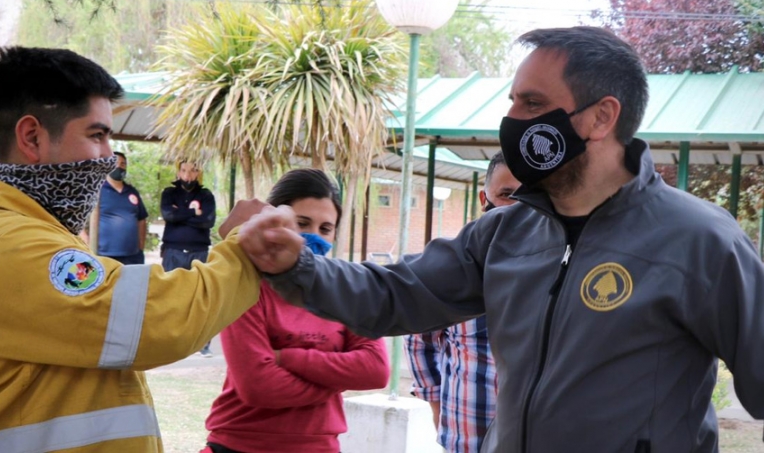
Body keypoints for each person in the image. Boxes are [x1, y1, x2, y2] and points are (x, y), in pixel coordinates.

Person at [233, 26, 764, 452]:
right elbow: (393, 294)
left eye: (532, 104)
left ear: (601, 117)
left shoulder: (701, 241)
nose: (510, 120)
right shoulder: (503, 234)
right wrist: (295, 263)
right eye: (513, 101)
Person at [0, 46, 264, 453]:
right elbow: (157, 323)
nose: (107, 157)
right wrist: (245, 250)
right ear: (32, 137)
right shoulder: (9, 245)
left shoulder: (29, 231)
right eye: (97, 135)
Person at [203, 169, 389, 453]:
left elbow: (375, 370)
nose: (311, 238)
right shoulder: (247, 286)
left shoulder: (343, 290)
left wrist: (285, 357)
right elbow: (258, 386)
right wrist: (336, 380)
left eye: (325, 229)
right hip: (239, 445)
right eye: (302, 224)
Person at [404, 151, 519, 453]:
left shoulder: (561, 271)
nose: (518, 207)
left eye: (530, 195)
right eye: (506, 194)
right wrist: (435, 406)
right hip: (466, 441)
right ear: (485, 199)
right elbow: (419, 340)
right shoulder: (452, 270)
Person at [160, 160, 217, 356]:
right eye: (184, 170)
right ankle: (169, 342)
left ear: (198, 172)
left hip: (198, 252)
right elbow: (168, 215)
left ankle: (203, 345)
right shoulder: (169, 193)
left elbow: (208, 222)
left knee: (199, 296)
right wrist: (195, 212)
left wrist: (180, 213)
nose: (188, 175)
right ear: (178, 171)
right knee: (170, 296)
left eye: (193, 170)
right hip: (173, 252)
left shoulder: (206, 195)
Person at [96, 151, 148, 264]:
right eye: (115, 163)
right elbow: (81, 220)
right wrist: (88, 244)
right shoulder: (98, 190)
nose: (119, 166)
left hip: (133, 256)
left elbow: (142, 220)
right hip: (104, 255)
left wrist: (141, 246)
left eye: (123, 164)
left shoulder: (132, 192)